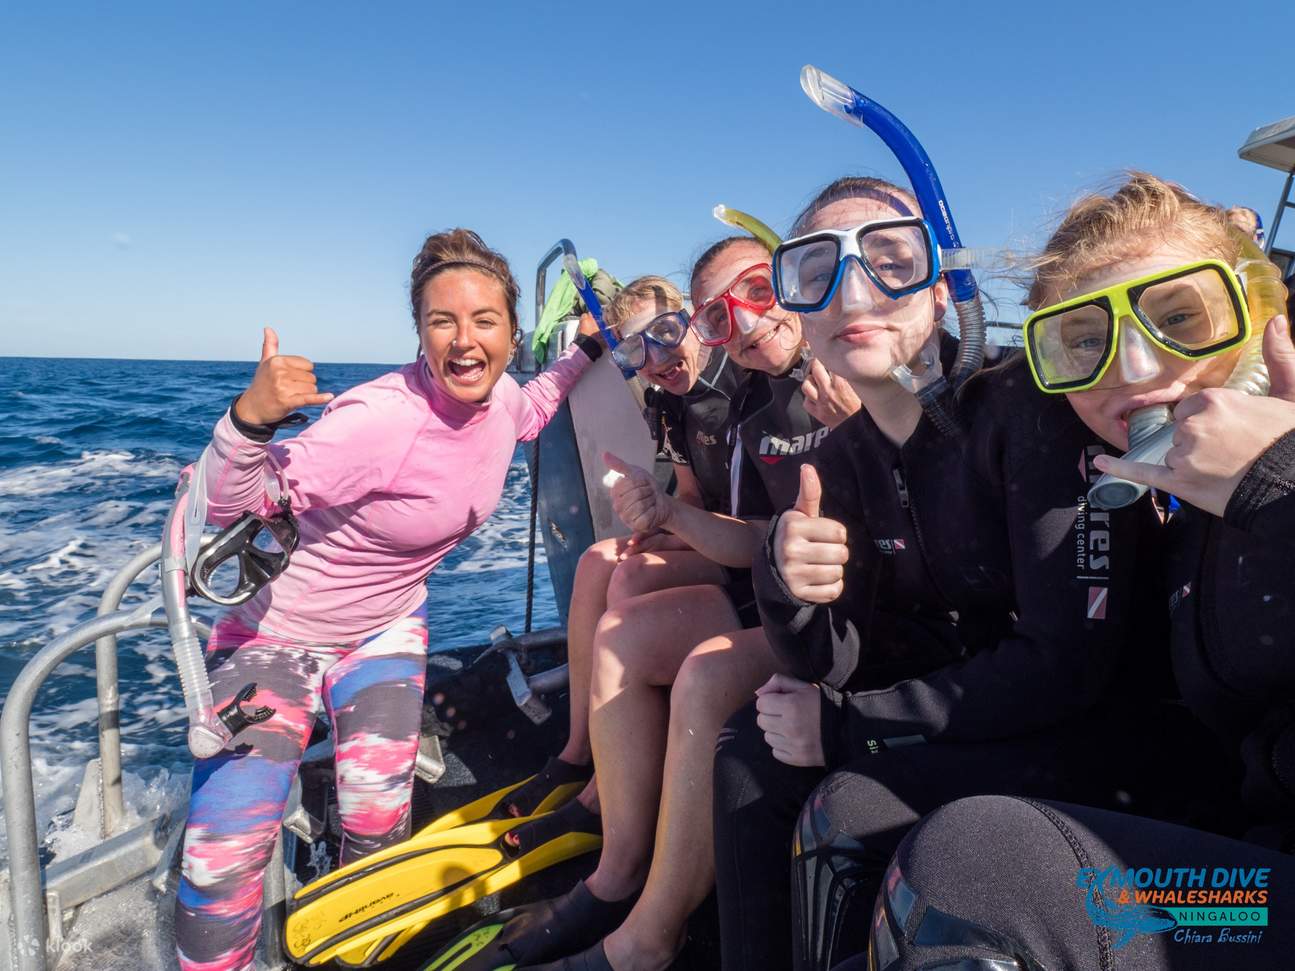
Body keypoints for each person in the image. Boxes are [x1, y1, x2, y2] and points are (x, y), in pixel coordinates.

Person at [709, 176, 1191, 971]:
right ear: (795, 306)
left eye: (889, 260)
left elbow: (1066, 662)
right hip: (984, 716)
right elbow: (824, 662)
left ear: (941, 291)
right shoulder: (838, 459)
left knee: (846, 799)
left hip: (1115, 729)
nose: (851, 291)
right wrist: (787, 583)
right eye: (813, 272)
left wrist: (847, 725)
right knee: (747, 748)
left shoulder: (1028, 408)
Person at [860, 174, 1295, 971]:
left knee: (980, 864)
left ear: (1257, 309)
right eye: (1083, 342)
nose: (1132, 368)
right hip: (1232, 875)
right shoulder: (1158, 503)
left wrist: (1279, 476)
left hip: (1263, 900)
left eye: (1179, 317)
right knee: (873, 836)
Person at [173, 229, 601, 971]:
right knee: (225, 855)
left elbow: (532, 406)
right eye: (443, 322)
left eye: (484, 321)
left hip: (385, 624)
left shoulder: (498, 398)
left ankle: (354, 951)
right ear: (420, 333)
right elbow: (228, 509)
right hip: (278, 633)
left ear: (511, 330)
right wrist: (251, 417)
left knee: (379, 818)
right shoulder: (377, 420)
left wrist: (590, 351)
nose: (465, 341)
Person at [432, 233, 857, 970]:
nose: (659, 359)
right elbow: (720, 513)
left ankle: (634, 898)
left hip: (788, 599)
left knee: (639, 611)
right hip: (762, 582)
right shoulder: (691, 402)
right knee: (614, 570)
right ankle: (592, 785)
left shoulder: (765, 390)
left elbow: (760, 534)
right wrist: (652, 510)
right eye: (637, 351)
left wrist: (668, 517)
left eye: (671, 334)